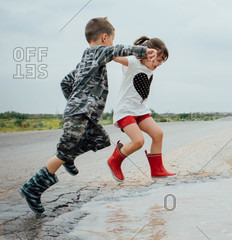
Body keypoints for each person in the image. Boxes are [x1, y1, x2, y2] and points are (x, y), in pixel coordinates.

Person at [19, 18, 156, 215]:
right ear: (104, 37)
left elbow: (65, 82)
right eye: (111, 39)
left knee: (100, 139)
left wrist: (74, 100)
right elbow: (115, 50)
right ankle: (33, 188)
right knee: (63, 151)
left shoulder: (86, 61)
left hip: (85, 114)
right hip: (80, 113)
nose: (111, 43)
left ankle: (68, 158)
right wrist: (143, 51)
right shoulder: (97, 51)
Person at [107, 36, 176, 181]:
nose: (160, 63)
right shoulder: (132, 62)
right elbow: (114, 56)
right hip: (125, 111)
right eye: (159, 59)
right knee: (138, 141)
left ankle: (157, 170)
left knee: (158, 134)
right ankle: (115, 160)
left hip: (141, 110)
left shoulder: (150, 69)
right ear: (149, 54)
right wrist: (105, 47)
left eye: (162, 60)